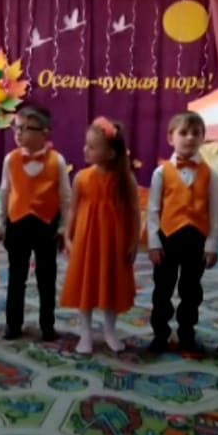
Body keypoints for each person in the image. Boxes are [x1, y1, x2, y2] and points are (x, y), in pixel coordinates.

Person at [60, 117, 139, 354]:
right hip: (87, 241)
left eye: (92, 147)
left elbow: (134, 212)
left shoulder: (126, 180)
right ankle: (85, 333)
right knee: (86, 286)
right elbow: (73, 209)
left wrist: (134, 242)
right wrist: (68, 236)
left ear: (111, 154)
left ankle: (109, 331)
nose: (85, 149)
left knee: (111, 286)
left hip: (114, 242)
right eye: (86, 144)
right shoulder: (81, 177)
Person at [145, 111, 218, 354]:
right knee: (162, 290)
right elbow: (153, 209)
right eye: (183, 133)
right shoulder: (161, 172)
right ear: (170, 138)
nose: (189, 138)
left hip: (197, 240)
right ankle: (160, 334)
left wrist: (211, 244)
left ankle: (187, 334)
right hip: (167, 239)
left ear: (203, 138)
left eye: (196, 133)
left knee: (191, 291)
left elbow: (215, 211)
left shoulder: (210, 174)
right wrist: (153, 243)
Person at [0, 105, 71, 342]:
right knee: (16, 277)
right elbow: (5, 191)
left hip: (46, 225)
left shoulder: (57, 160)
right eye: (16, 128)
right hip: (17, 223)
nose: (18, 133)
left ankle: (47, 324)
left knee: (46, 277)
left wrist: (64, 227)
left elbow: (65, 196)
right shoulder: (11, 159)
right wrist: (2, 221)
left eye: (26, 128)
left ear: (44, 133)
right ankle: (13, 323)